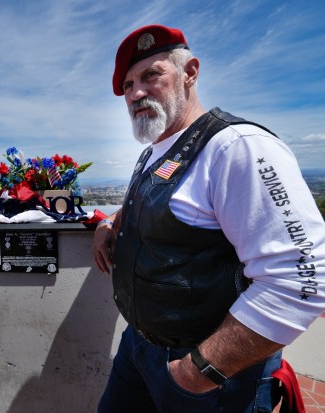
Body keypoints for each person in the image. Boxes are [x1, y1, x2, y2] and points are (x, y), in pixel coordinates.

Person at [92, 24, 325, 412]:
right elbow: (157, 204)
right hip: (139, 348)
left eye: (151, 75)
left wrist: (198, 371)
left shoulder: (237, 148)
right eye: (129, 85)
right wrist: (108, 223)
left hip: (206, 368)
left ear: (190, 72)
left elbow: (305, 275)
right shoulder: (155, 151)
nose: (136, 93)